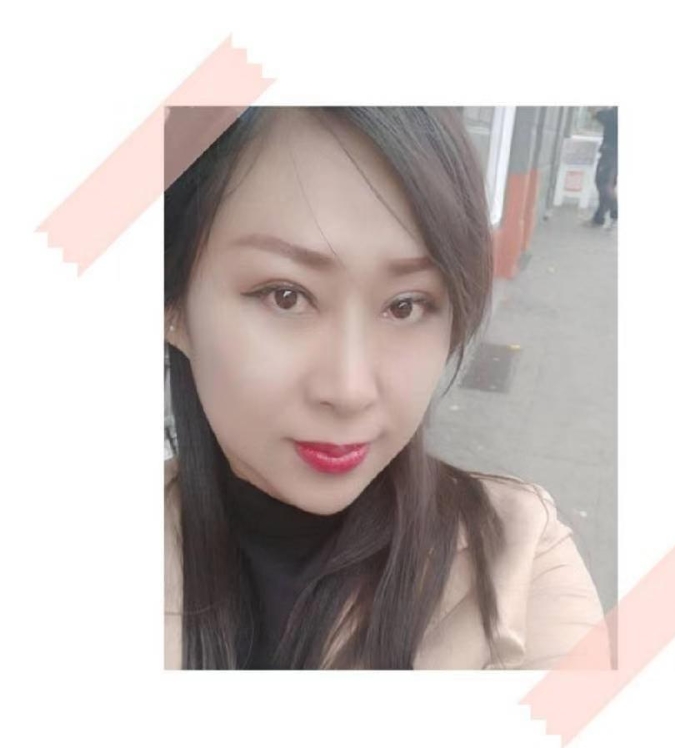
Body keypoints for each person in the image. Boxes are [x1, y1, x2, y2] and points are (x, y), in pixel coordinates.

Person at [164, 106, 609, 670]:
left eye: (406, 305)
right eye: (285, 295)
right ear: (172, 304)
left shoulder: (520, 571)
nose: (350, 390)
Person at [590, 106, 618, 229]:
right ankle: (599, 217)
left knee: (603, 183)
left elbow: (594, 112)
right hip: (615, 155)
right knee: (608, 185)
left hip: (610, 153)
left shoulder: (613, 114)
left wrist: (597, 109)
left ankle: (615, 211)